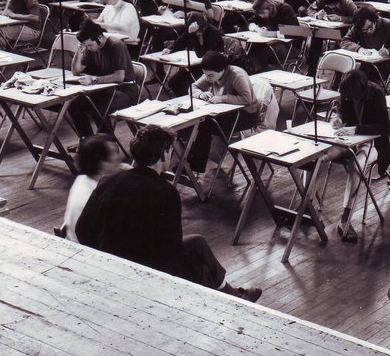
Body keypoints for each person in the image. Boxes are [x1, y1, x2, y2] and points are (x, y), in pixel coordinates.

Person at [76, 125, 262, 302]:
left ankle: (231, 294)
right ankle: (232, 297)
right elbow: (170, 250)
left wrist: (104, 258)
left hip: (114, 264)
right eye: (170, 151)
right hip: (147, 269)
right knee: (200, 265)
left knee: (197, 246)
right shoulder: (165, 191)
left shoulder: (109, 180)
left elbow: (82, 229)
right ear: (163, 154)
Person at [324, 69, 390, 240]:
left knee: (357, 164)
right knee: (320, 155)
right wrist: (338, 119)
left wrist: (355, 129)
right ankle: (306, 205)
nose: (348, 99)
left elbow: (382, 127)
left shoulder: (376, 94)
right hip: (350, 139)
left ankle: (345, 217)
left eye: (352, 96)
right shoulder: (347, 93)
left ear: (360, 91)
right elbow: (342, 112)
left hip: (372, 142)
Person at [187, 52, 260, 173]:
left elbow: (247, 99)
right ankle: (192, 163)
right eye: (206, 75)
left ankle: (195, 165)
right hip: (225, 112)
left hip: (245, 115)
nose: (208, 78)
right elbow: (193, 87)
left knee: (205, 125)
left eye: (210, 75)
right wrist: (200, 94)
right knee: (198, 122)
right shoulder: (211, 72)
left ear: (222, 70)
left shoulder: (237, 75)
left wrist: (222, 98)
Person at [69, 19, 139, 138]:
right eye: (86, 46)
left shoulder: (116, 45)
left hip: (125, 91)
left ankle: (107, 145)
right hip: (105, 90)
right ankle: (88, 142)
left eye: (90, 45)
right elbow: (76, 71)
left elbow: (119, 76)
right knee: (74, 106)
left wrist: (93, 80)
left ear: (100, 37)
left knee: (98, 108)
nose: (89, 48)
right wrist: (79, 52)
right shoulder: (91, 47)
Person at [62, 135, 118, 242]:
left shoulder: (83, 179)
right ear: (104, 165)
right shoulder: (97, 197)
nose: (119, 163)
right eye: (115, 159)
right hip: (87, 249)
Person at [161, 12, 224, 94]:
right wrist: (170, 49)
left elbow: (201, 54)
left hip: (210, 66)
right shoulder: (191, 31)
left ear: (201, 28)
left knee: (183, 84)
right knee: (173, 82)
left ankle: (192, 100)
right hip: (196, 64)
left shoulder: (213, 33)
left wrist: (193, 34)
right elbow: (180, 42)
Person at [342, 6, 390, 71]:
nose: (368, 31)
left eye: (370, 27)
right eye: (364, 30)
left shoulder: (389, 26)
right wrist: (359, 49)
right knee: (351, 72)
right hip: (368, 63)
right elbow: (344, 41)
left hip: (389, 65)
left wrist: (389, 51)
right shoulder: (358, 26)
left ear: (374, 19)